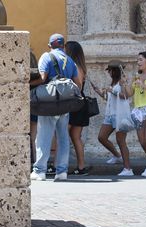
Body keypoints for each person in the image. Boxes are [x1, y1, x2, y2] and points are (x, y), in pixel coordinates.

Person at [30, 33, 80, 182]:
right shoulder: (70, 60)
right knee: (63, 137)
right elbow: (78, 83)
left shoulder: (47, 56)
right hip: (65, 104)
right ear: (63, 46)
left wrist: (28, 85)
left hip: (49, 103)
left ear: (49, 45)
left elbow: (42, 78)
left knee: (44, 136)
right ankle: (62, 171)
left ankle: (40, 171)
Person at [94, 60, 133, 176]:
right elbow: (110, 99)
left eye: (109, 70)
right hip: (110, 115)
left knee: (121, 141)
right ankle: (117, 156)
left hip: (119, 115)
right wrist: (100, 93)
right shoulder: (113, 83)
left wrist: (113, 91)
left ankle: (128, 169)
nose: (108, 73)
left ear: (113, 71)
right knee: (102, 137)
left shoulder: (122, 82)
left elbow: (125, 96)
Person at [65, 41, 89, 175]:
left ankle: (59, 165)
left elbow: (78, 84)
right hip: (79, 103)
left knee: (63, 133)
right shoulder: (80, 65)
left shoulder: (75, 65)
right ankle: (81, 167)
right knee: (75, 136)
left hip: (75, 103)